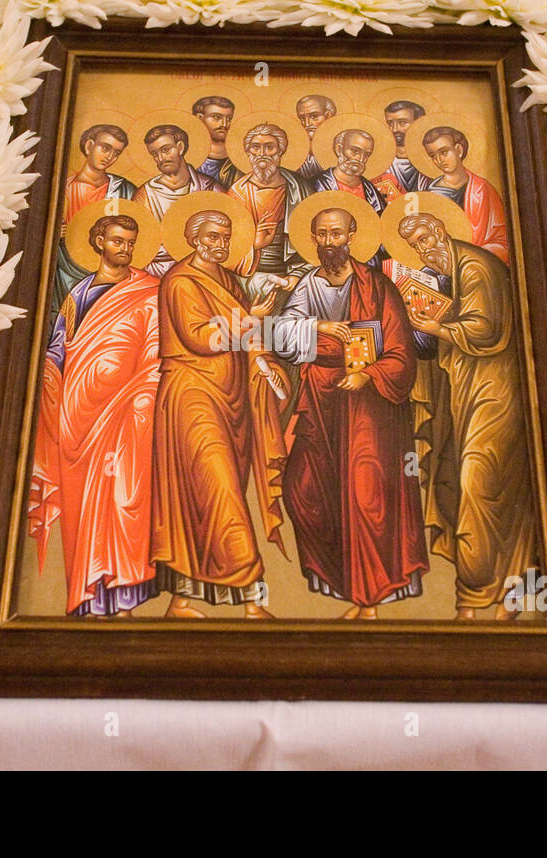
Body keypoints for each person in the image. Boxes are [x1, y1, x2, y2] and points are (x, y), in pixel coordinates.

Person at [272, 207, 428, 618]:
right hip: (320, 401)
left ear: (352, 235)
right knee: (303, 490)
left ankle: (370, 598)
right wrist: (320, 330)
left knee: (365, 496)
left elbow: (400, 354)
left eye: (336, 234)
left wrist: (369, 375)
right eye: (321, 235)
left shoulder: (377, 287)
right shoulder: (308, 284)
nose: (328, 242)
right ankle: (338, 578)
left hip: (368, 409)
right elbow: (281, 336)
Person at [151, 209, 289, 619]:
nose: (220, 243)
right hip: (192, 395)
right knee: (218, 492)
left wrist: (265, 362)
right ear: (194, 238)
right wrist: (253, 319)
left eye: (226, 236)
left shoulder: (229, 280)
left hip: (233, 400)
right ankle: (251, 598)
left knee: (209, 498)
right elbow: (202, 338)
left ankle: (181, 601)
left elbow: (249, 337)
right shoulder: (179, 281)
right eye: (212, 235)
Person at [397, 212, 534, 620]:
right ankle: (488, 592)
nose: (423, 249)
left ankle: (479, 594)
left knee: (480, 479)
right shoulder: (445, 274)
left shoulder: (476, 267)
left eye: (425, 239)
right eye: (416, 245)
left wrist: (437, 327)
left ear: (441, 231)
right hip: (465, 390)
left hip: (495, 392)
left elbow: (486, 330)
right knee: (457, 480)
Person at [29, 214, 160, 618]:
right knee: (82, 511)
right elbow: (57, 349)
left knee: (125, 503)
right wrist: (51, 377)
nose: (125, 248)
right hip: (75, 419)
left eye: (130, 242)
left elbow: (157, 349)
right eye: (117, 240)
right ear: (98, 241)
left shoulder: (148, 291)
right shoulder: (76, 294)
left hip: (126, 415)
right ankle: (87, 598)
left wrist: (140, 396)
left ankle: (124, 598)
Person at [55, 124, 138, 311]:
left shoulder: (124, 189)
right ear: (89, 146)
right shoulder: (62, 188)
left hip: (108, 270)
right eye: (105, 148)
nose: (109, 157)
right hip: (64, 270)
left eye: (116, 153)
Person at [134, 123, 225, 276]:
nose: (161, 158)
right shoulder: (145, 195)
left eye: (165, 150)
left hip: (202, 269)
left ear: (180, 147)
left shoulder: (209, 188)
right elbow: (139, 243)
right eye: (155, 154)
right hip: (156, 272)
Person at [227, 122, 311, 277]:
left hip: (293, 271)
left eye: (269, 147)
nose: (262, 153)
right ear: (248, 152)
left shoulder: (300, 188)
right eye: (255, 147)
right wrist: (255, 245)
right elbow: (228, 244)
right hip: (250, 272)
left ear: (280, 151)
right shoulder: (237, 192)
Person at [421, 126, 509, 264]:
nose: (439, 160)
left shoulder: (482, 189)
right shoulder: (431, 195)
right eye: (433, 156)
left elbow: (503, 238)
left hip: (480, 262)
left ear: (459, 150)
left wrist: (471, 256)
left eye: (444, 152)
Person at [310, 128, 387, 214]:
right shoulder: (317, 185)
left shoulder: (370, 190)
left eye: (366, 155)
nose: (360, 159)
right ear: (339, 149)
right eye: (355, 151)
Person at [371, 100, 426, 202]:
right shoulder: (378, 165)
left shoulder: (432, 163)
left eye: (402, 123)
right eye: (390, 123)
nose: (395, 129)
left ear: (419, 124)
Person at [192, 95, 242, 188]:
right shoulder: (188, 156)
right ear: (199, 118)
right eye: (216, 117)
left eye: (228, 118)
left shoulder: (238, 160)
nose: (224, 124)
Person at [294, 94, 336, 179]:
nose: (307, 123)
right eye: (302, 118)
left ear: (328, 115)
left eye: (314, 116)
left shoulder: (339, 148)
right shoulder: (297, 151)